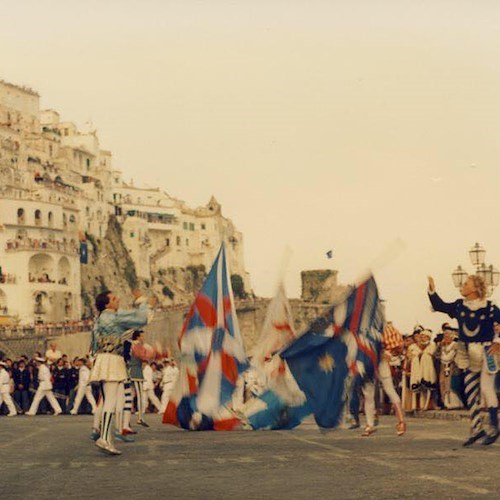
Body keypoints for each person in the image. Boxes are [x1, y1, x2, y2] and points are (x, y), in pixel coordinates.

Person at [428, 275, 500, 446]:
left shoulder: (489, 308)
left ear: (475, 288)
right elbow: (440, 306)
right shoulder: (460, 306)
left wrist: (498, 342)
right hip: (467, 354)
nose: (462, 285)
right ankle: (477, 428)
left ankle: (494, 427)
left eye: (466, 283)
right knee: (468, 391)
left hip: (487, 351)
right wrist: (432, 290)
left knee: (486, 387)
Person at [89, 290, 151, 455]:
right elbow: (141, 319)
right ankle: (104, 437)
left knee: (107, 400)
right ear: (108, 303)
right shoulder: (115, 316)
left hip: (102, 359)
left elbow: (93, 344)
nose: (118, 301)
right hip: (112, 360)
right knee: (111, 401)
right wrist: (141, 301)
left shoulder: (99, 320)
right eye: (115, 298)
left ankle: (106, 438)